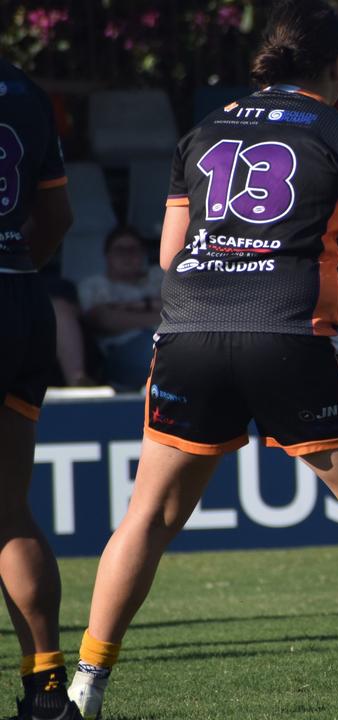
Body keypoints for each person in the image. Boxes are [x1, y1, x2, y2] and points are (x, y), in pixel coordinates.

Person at [66, 2, 338, 716]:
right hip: (291, 333)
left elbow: (171, 257)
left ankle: (85, 683)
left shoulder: (202, 132)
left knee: (147, 517)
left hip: (188, 336)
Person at [0, 59, 79, 720]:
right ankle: (47, 689)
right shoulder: (27, 89)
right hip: (23, 298)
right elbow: (57, 215)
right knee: (9, 510)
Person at [77, 226, 162, 390]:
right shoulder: (94, 285)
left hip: (167, 339)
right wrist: (158, 312)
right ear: (107, 256)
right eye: (120, 250)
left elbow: (182, 307)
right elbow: (104, 320)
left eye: (133, 249)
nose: (127, 255)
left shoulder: (158, 276)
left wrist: (130, 308)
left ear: (143, 254)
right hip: (121, 349)